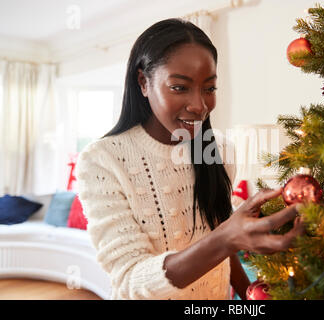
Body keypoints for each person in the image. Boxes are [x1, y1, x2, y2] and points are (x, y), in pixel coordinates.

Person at [75, 18, 305, 300]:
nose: (199, 105)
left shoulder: (220, 150)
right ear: (143, 82)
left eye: (209, 88)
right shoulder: (101, 161)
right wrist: (225, 238)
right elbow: (130, 280)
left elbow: (221, 249)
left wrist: (250, 294)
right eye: (179, 87)